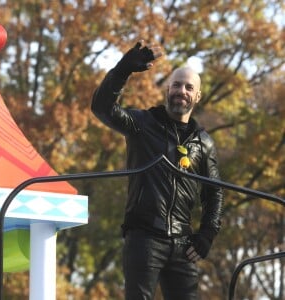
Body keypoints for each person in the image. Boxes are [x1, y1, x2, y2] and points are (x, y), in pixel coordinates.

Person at [91, 40, 224, 300]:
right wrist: (122, 70)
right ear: (167, 89)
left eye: (189, 87)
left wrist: (207, 233)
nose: (181, 90)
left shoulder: (203, 142)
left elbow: (214, 192)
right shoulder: (143, 124)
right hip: (144, 239)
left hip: (184, 245)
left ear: (197, 96)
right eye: (176, 84)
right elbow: (101, 108)